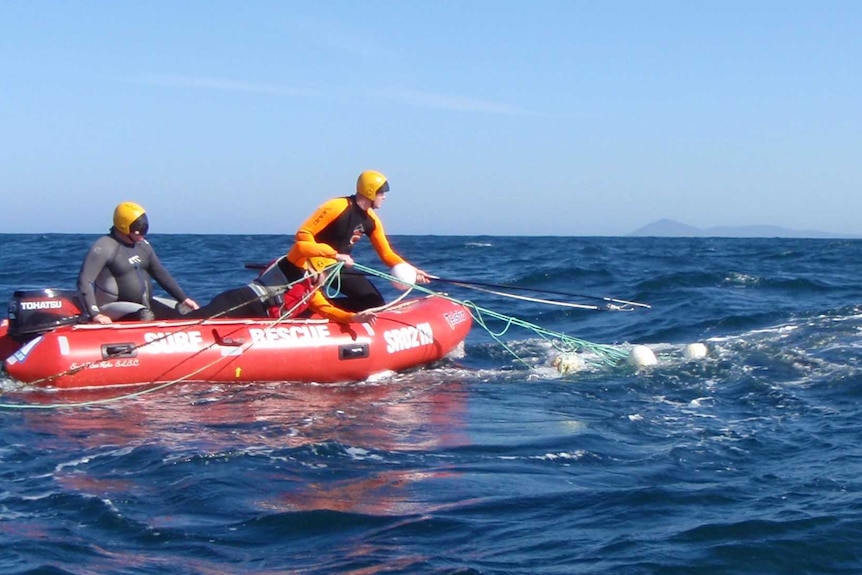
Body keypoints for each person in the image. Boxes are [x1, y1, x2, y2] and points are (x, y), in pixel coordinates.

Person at [279, 170, 430, 320]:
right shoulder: (337, 206)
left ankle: (321, 313)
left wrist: (412, 270)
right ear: (370, 191)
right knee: (372, 302)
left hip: (338, 266)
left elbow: (386, 254)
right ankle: (306, 311)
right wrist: (319, 260)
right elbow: (304, 233)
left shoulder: (372, 221)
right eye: (381, 192)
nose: (384, 196)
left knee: (374, 302)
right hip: (316, 265)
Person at [77, 201, 200, 323]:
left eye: (144, 229)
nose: (142, 234)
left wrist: (183, 299)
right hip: (112, 307)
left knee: (187, 312)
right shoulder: (104, 247)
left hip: (144, 305)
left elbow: (160, 274)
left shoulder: (143, 246)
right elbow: (84, 281)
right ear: (124, 226)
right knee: (145, 316)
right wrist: (95, 314)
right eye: (138, 229)